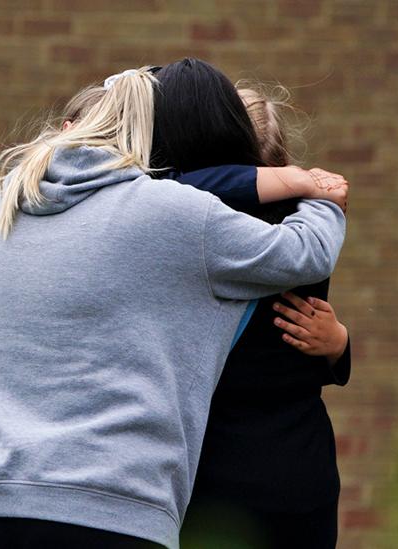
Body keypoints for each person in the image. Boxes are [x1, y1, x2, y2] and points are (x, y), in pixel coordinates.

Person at [0, 65, 347, 549]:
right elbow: (305, 253)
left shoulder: (10, 198)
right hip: (108, 501)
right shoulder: (164, 214)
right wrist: (320, 194)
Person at [148, 59, 351, 548]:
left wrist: (337, 346)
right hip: (299, 473)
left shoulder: (180, 222)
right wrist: (339, 347)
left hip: (210, 475)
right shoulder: (307, 223)